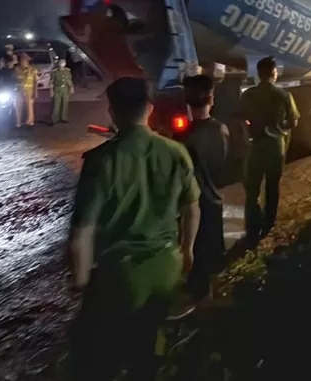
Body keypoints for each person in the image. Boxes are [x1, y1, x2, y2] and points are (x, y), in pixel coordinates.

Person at [66, 77, 201, 381]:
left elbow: (82, 233)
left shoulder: (101, 160)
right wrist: (187, 251)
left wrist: (82, 280)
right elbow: (192, 208)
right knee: (150, 346)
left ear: (112, 112)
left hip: (120, 275)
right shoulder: (176, 152)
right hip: (166, 267)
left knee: (99, 356)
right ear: (150, 109)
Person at [239, 57, 300, 243]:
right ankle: (268, 225)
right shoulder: (284, 95)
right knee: (272, 187)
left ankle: (252, 229)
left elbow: (241, 119)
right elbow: (294, 121)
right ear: (275, 74)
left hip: (254, 146)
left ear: (258, 74)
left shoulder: (247, 95)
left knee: (252, 189)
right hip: (276, 147)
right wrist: (280, 128)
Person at [180, 74, 229, 304]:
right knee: (212, 256)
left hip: (190, 207)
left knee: (194, 256)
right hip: (214, 200)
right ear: (212, 99)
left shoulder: (183, 138)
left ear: (187, 101)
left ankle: (198, 303)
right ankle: (211, 299)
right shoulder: (222, 130)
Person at [14, 53, 38, 127]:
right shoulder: (17, 69)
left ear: (27, 62)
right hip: (19, 91)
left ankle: (30, 122)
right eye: (21, 61)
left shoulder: (33, 70)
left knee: (29, 107)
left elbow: (35, 82)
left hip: (29, 91)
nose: (23, 62)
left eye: (24, 61)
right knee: (18, 107)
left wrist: (35, 92)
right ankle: (18, 123)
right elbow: (13, 80)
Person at [50, 59, 74, 124]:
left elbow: (69, 80)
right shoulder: (55, 72)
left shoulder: (67, 71)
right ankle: (54, 119)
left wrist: (72, 87)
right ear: (58, 64)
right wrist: (51, 91)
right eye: (61, 63)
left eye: (63, 63)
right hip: (57, 89)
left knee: (65, 103)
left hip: (65, 89)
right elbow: (51, 82)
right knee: (56, 104)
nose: (62, 64)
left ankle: (64, 118)